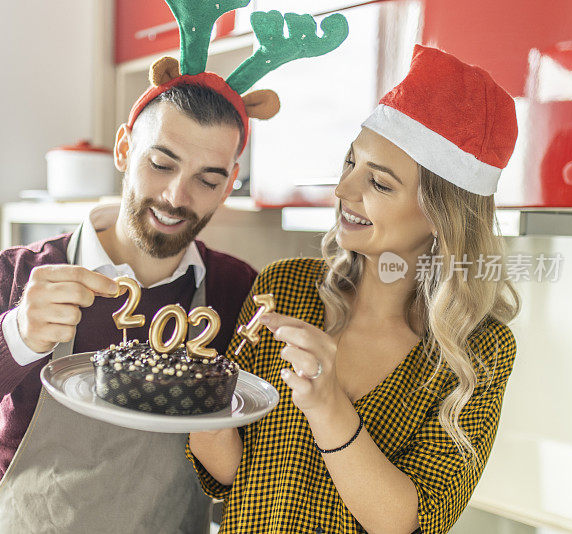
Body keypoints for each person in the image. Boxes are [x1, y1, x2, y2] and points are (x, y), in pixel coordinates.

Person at [0, 79, 258, 532]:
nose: (176, 197)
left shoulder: (237, 291)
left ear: (229, 183)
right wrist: (14, 336)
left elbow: (260, 473)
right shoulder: (19, 276)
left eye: (207, 179)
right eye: (161, 164)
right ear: (124, 149)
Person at [187, 44, 522, 534]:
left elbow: (405, 521)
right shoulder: (285, 286)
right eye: (351, 163)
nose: (344, 190)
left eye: (379, 184)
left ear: (441, 215)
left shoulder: (479, 352)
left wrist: (327, 405)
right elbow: (239, 476)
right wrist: (199, 399)